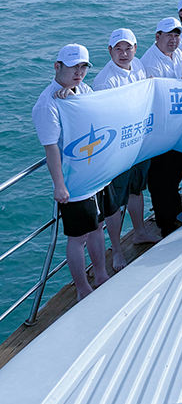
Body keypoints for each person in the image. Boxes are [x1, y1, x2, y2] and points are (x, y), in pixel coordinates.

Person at [32, 44, 116, 301]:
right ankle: (82, 288)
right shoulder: (47, 105)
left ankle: (101, 274)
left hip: (94, 174)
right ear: (57, 67)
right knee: (78, 237)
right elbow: (51, 149)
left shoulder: (84, 90)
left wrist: (74, 99)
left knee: (98, 226)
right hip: (74, 180)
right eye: (73, 67)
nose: (79, 72)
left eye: (83, 67)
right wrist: (59, 185)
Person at [93, 29, 159, 270]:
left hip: (139, 141)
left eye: (128, 48)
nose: (123, 53)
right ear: (109, 50)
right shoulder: (105, 81)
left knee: (136, 190)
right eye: (118, 49)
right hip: (118, 149)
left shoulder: (138, 65)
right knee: (114, 201)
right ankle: (117, 249)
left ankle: (139, 232)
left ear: (135, 48)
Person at [140, 17, 182, 237]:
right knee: (160, 177)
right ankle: (165, 222)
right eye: (168, 35)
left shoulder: (177, 54)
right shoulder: (150, 61)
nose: (173, 39)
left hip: (176, 125)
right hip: (158, 129)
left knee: (176, 171)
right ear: (157, 36)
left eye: (176, 35)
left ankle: (175, 210)